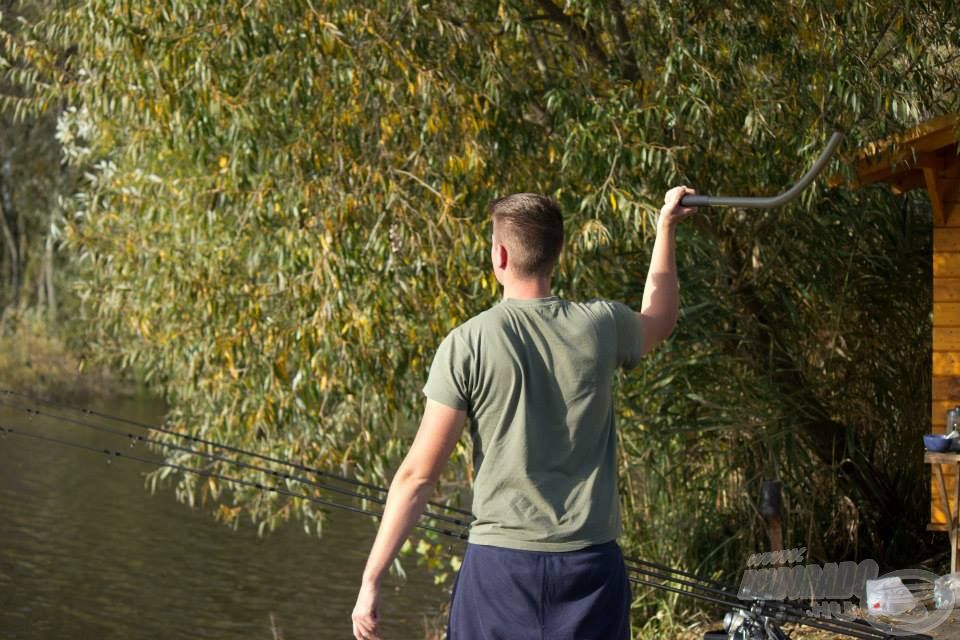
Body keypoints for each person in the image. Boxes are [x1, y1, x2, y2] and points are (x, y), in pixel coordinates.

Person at [351, 186, 698, 640]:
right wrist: (665, 228)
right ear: (558, 254)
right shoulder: (600, 326)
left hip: (500, 571)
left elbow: (418, 477)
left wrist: (371, 579)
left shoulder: (467, 343)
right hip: (590, 568)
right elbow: (661, 318)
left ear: (499, 255)